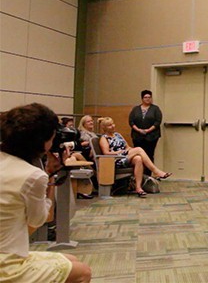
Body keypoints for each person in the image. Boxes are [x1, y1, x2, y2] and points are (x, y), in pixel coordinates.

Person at [0, 103, 92, 283]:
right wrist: (49, 176)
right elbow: (39, 220)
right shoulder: (33, 176)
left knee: (71, 260)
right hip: (6, 264)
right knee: (83, 272)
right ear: (42, 141)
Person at [98, 117, 171, 198]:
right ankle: (155, 171)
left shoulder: (118, 135)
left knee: (138, 159)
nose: (113, 126)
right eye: (109, 125)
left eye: (113, 124)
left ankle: (138, 188)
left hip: (124, 156)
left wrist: (131, 151)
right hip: (116, 160)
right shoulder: (104, 138)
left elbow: (128, 147)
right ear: (104, 128)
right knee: (139, 149)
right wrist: (119, 152)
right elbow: (106, 153)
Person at [128, 90, 162, 166]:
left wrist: (148, 130)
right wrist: (138, 130)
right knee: (138, 155)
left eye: (149, 97)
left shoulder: (155, 109)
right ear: (142, 98)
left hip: (151, 136)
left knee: (149, 155)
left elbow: (158, 121)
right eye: (145, 97)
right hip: (137, 136)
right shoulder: (135, 109)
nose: (147, 99)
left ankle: (148, 174)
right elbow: (131, 121)